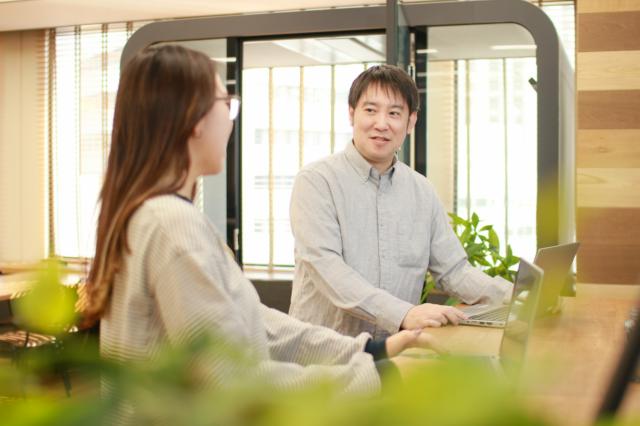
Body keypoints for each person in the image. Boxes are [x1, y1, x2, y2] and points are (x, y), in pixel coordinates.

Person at [82, 45, 442, 414]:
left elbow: (254, 322)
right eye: (226, 103)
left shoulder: (160, 215)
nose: (231, 119)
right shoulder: (173, 225)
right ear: (194, 119)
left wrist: (370, 351)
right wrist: (381, 377)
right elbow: (232, 379)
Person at [289, 65, 513, 339]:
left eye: (394, 113)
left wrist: (512, 296)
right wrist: (404, 314)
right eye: (370, 110)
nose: (381, 123)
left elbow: (454, 270)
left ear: (410, 123)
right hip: (323, 360)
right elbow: (329, 271)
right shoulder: (316, 181)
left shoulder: (422, 191)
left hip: (396, 352)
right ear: (352, 114)